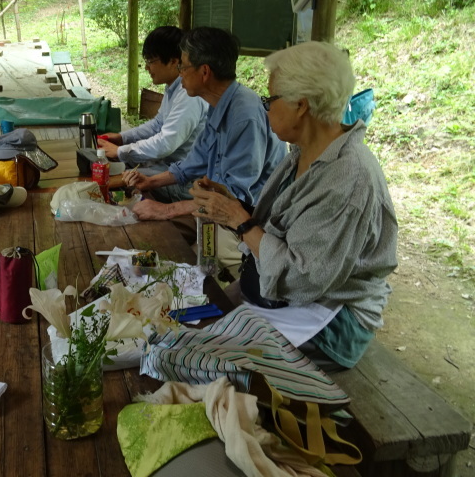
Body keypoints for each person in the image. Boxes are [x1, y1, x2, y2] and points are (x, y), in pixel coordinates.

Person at [189, 41, 398, 369]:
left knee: (200, 358)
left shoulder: (347, 178)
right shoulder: (304, 153)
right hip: (278, 294)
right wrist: (233, 206)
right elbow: (282, 226)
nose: (265, 108)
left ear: (301, 104)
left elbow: (304, 278)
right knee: (187, 317)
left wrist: (241, 222)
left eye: (270, 99)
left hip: (331, 318)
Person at [124, 27, 285, 272]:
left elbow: (235, 197)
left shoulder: (244, 115)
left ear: (205, 72)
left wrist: (167, 210)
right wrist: (151, 182)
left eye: (183, 67)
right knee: (142, 224)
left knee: (156, 236)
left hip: (247, 222)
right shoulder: (219, 104)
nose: (180, 74)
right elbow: (195, 160)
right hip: (215, 206)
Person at [98, 26, 208, 174]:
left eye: (151, 61)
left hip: (181, 175)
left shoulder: (189, 95)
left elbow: (166, 143)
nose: (146, 67)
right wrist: (123, 138)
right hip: (165, 165)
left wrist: (120, 151)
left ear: (174, 61)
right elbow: (157, 124)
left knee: (119, 176)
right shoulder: (173, 88)